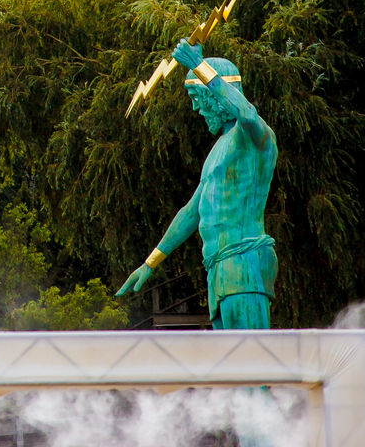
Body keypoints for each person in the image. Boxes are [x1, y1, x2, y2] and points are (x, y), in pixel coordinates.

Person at [116, 41, 279, 328]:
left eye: (196, 97)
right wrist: (150, 263)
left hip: (244, 261)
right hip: (219, 269)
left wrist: (198, 66)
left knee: (251, 352)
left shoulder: (254, 137)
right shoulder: (219, 150)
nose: (195, 108)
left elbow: (247, 113)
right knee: (232, 355)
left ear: (215, 95)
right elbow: (192, 212)